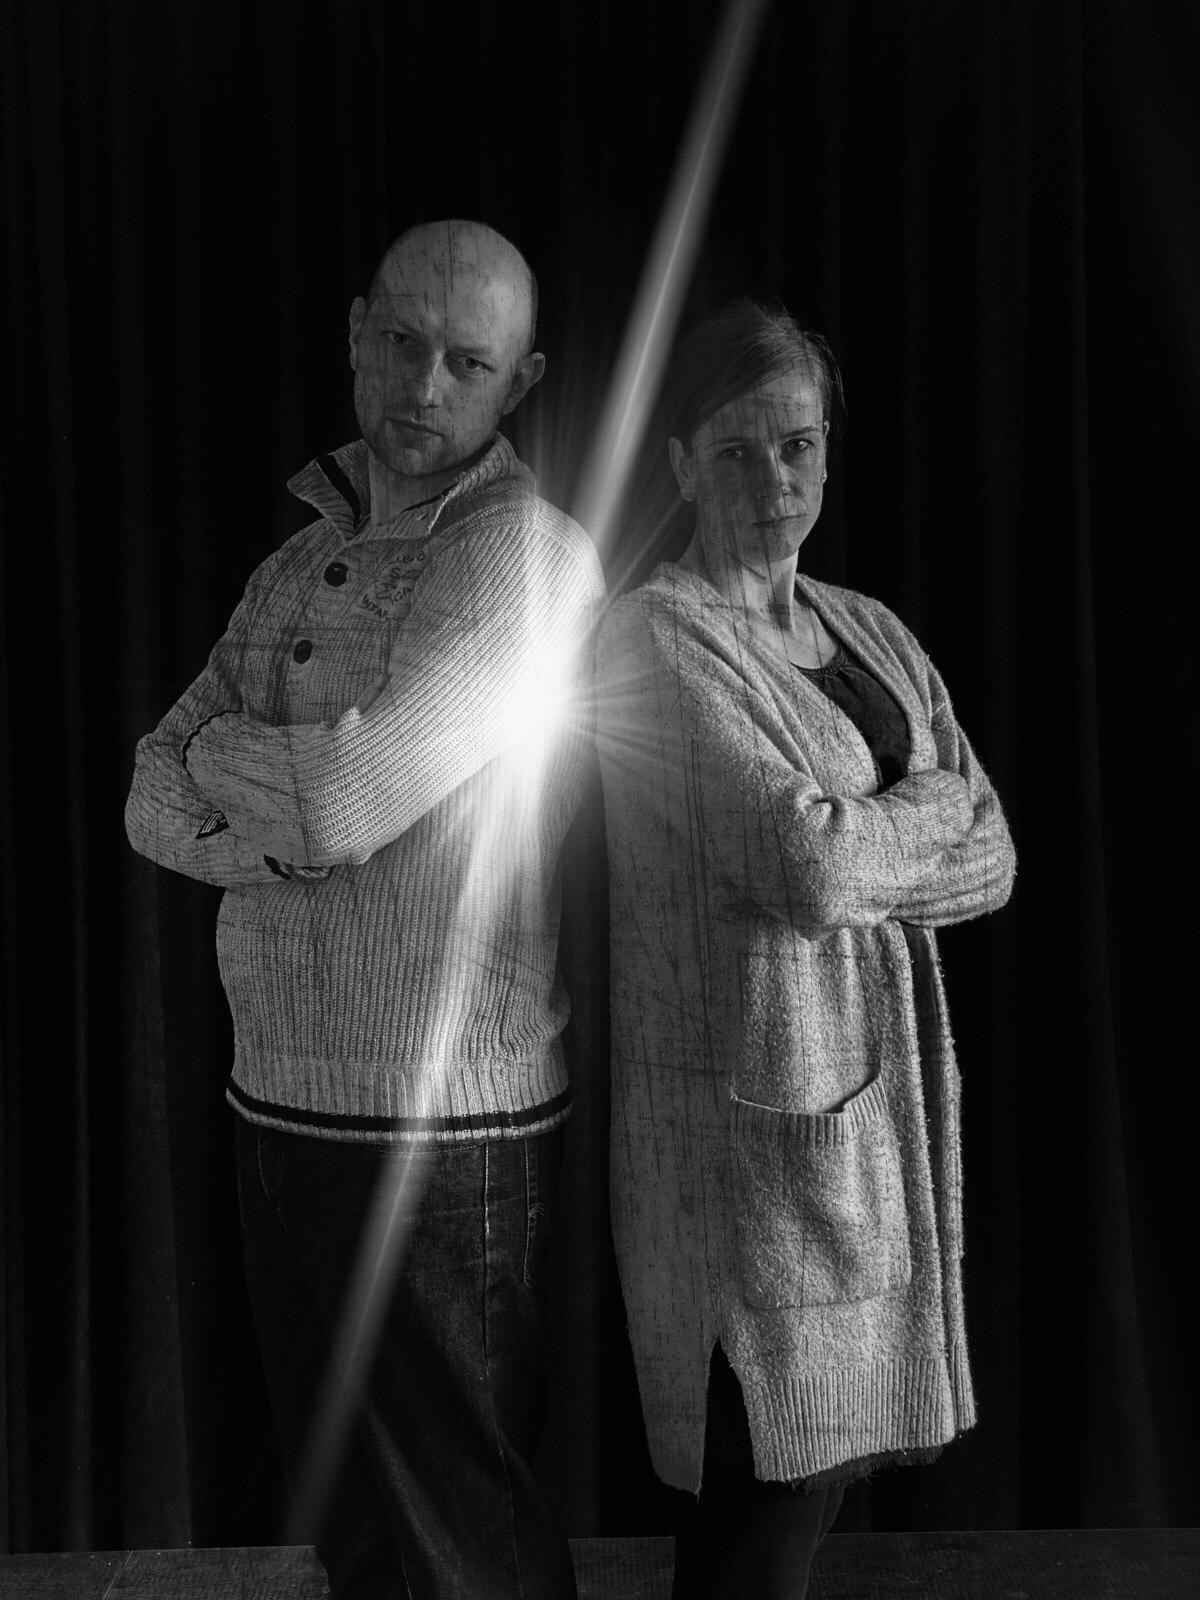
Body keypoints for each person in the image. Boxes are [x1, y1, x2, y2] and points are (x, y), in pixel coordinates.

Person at [125, 219, 604, 1600]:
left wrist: (241, 772)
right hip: (276, 1105)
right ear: (353, 333)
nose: (424, 385)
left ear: (522, 382)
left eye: (469, 362)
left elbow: (341, 801)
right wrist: (283, 803)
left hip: (444, 1131)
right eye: (400, 341)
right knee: (362, 1540)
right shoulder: (292, 564)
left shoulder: (526, 562)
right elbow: (148, 790)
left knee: (465, 1545)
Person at [594, 298, 1016, 1600]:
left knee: (801, 1524)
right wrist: (930, 809)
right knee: (752, 1537)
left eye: (798, 445)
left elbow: (998, 856)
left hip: (877, 1149)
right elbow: (807, 866)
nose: (773, 479)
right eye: (734, 451)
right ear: (681, 466)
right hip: (748, 1173)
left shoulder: (868, 628)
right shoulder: (656, 638)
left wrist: (876, 836)